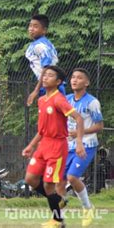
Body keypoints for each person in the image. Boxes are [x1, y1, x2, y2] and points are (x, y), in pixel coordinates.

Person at [22, 65, 86, 228]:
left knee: (49, 185)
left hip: (57, 147)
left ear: (58, 82)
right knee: (30, 179)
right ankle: (59, 200)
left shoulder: (59, 99)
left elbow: (79, 119)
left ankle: (58, 221)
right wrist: (31, 146)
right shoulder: (42, 100)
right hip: (43, 145)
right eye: (44, 75)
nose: (45, 78)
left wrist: (79, 142)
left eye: (50, 76)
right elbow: (42, 130)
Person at [56, 68, 103, 227]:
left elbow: (99, 126)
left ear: (87, 82)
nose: (75, 80)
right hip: (65, 146)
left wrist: (78, 133)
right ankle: (59, 220)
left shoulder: (92, 102)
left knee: (72, 177)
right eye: (73, 77)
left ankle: (88, 208)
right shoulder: (66, 99)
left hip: (86, 145)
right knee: (59, 181)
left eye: (79, 77)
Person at [25, 14, 63, 106]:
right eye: (30, 25)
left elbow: (47, 67)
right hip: (47, 84)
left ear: (44, 30)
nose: (31, 29)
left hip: (51, 86)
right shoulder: (41, 43)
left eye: (35, 26)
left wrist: (36, 90)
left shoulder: (41, 46)